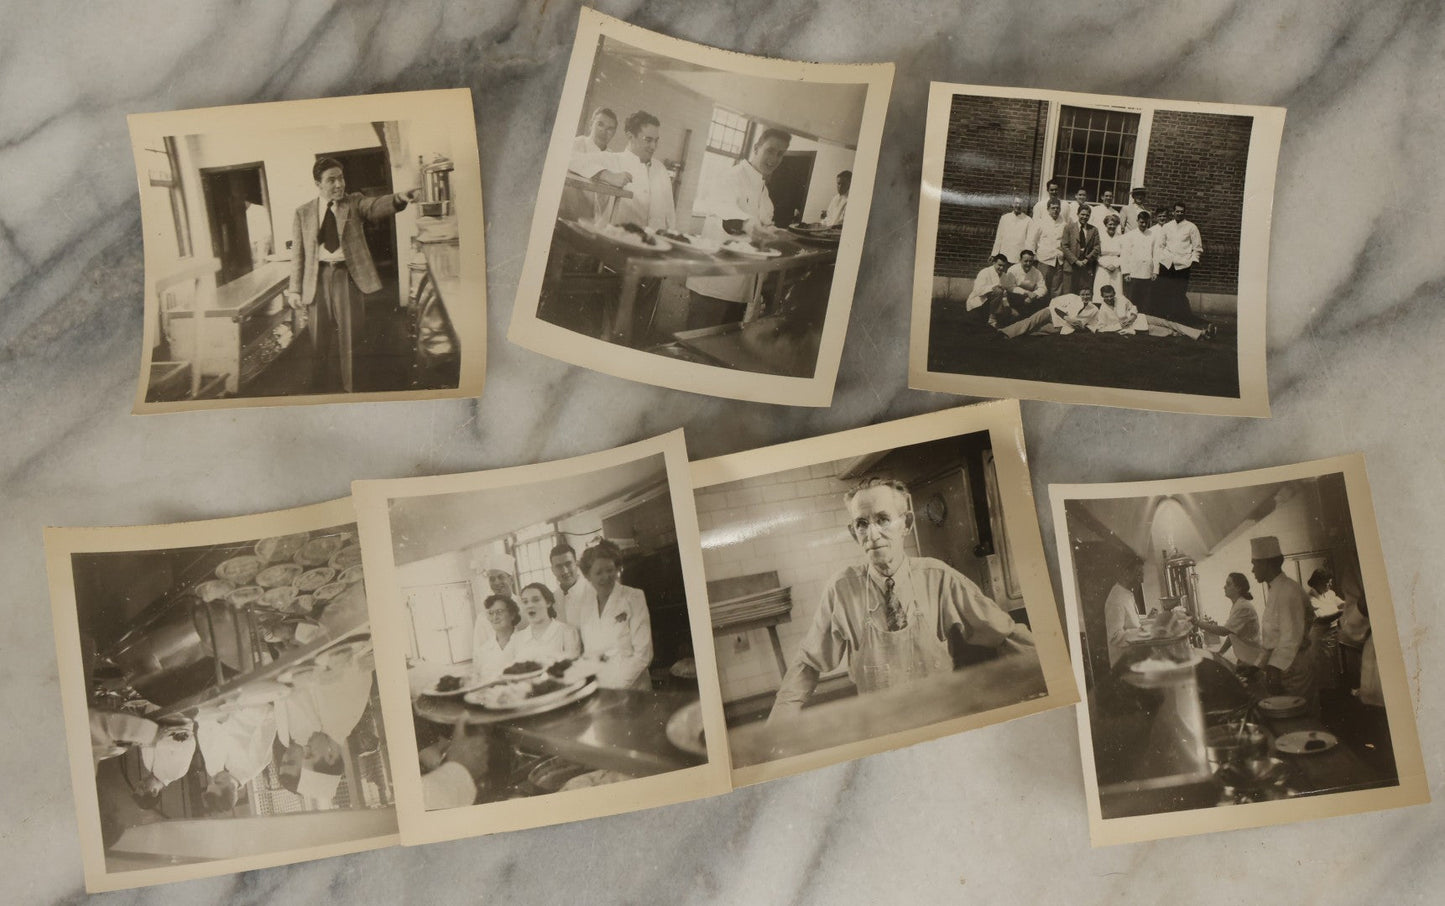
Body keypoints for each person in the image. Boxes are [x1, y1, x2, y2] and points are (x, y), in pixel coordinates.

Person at [769, 478, 1033, 721]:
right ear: (853, 532)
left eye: (883, 520)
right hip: (878, 723)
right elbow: (807, 663)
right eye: (862, 524)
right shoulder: (841, 590)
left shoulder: (939, 578)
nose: (872, 535)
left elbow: (1006, 634)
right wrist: (776, 729)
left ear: (906, 524)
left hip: (942, 715)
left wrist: (1048, 680)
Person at [285, 157, 420, 393]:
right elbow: (298, 254)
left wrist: (399, 198)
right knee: (318, 339)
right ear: (318, 184)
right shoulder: (302, 213)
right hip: (316, 280)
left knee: (350, 338)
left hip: (346, 277)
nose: (339, 184)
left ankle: (351, 390)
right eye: (331, 180)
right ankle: (319, 389)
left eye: (341, 178)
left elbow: (375, 206)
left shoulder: (354, 202)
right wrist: (294, 289)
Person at [686, 127, 791, 328]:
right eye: (770, 150)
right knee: (697, 340)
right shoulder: (731, 176)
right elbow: (725, 210)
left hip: (742, 286)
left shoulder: (764, 192)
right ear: (756, 147)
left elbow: (763, 226)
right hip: (714, 283)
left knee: (724, 341)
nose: (774, 159)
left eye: (780, 154)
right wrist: (748, 224)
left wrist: (774, 232)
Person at [569, 110, 676, 231]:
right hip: (614, 237)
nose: (653, 146)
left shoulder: (660, 168)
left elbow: (670, 215)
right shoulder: (611, 160)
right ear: (630, 136)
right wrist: (606, 175)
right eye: (648, 140)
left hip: (653, 240)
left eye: (656, 140)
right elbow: (568, 157)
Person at [575, 540, 654, 689]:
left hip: (632, 685)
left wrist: (618, 685)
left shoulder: (634, 596)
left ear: (617, 569)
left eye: (610, 570)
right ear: (588, 576)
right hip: (600, 685)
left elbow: (643, 654)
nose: (606, 577)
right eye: (599, 572)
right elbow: (590, 653)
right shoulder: (586, 606)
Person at [1251, 535, 1318, 709]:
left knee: (1298, 715)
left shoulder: (1288, 590)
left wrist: (1274, 669)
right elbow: (1273, 637)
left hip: (1293, 666)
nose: (1252, 570)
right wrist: (1258, 665)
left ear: (1266, 564)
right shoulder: (1276, 589)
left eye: (1254, 564)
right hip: (1284, 666)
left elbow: (1290, 636)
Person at [196, 702, 278, 814]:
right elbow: (270, 717)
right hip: (242, 701)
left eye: (211, 782)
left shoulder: (213, 771)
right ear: (232, 788)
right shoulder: (255, 763)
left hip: (211, 705)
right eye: (218, 782)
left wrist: (210, 713)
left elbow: (204, 734)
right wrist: (235, 709)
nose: (214, 777)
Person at [1194, 572, 1263, 681]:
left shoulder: (1243, 607)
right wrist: (1221, 652)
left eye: (1228, 584)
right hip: (1246, 659)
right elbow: (1232, 633)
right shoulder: (1237, 605)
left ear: (1238, 588)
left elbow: (1224, 631)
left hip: (1252, 660)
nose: (1224, 587)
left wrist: (1196, 622)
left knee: (1252, 688)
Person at [1155, 202, 1203, 324]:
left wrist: (1192, 260)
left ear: (1184, 213)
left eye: (1182, 211)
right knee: (1164, 290)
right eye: (1177, 211)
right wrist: (1162, 258)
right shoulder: (1167, 226)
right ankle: (1165, 317)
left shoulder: (1191, 227)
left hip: (1183, 265)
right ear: (1173, 212)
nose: (1179, 213)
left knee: (1179, 292)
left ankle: (1181, 318)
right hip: (1167, 264)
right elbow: (1160, 245)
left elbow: (1197, 247)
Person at [510, 583, 582, 665]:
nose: (530, 605)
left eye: (536, 600)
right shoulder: (517, 638)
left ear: (548, 602)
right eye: (525, 602)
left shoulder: (567, 632)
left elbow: (572, 667)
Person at [1104, 556, 1144, 670]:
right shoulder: (1116, 599)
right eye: (1138, 574)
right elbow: (1115, 637)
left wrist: (1147, 620)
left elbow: (1130, 621)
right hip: (1123, 664)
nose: (1142, 580)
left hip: (1132, 659)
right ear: (1126, 573)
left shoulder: (1126, 593)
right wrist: (1142, 632)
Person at [471, 593, 522, 682]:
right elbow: (476, 680)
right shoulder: (483, 650)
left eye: (499, 612)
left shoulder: (526, 641)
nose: (495, 617)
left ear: (512, 615)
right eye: (491, 613)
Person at [1027, 197, 1068, 298]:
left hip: (1059, 260)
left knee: (1056, 288)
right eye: (1053, 208)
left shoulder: (1064, 224)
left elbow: (1066, 241)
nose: (1055, 210)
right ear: (1048, 209)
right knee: (1042, 287)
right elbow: (1031, 240)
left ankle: (1054, 306)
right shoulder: (1040, 223)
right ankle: (1040, 306)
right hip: (1044, 259)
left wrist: (1063, 252)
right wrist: (1032, 256)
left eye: (1057, 208)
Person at [548, 541, 597, 629]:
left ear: (576, 564)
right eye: (559, 566)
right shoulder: (552, 599)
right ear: (552, 570)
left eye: (568, 564)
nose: (565, 571)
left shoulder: (595, 591)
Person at [1120, 210, 1159, 314]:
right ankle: (1130, 319)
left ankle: (1143, 319)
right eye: (1141, 222)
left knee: (1145, 300)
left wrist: (1155, 271)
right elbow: (1125, 254)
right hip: (1133, 272)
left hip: (1147, 272)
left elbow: (1156, 254)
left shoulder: (1153, 235)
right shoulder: (1130, 235)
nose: (1144, 224)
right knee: (1132, 299)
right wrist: (1126, 272)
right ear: (1137, 221)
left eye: (1146, 222)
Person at [965, 253, 1018, 327]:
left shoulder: (1004, 276)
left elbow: (1009, 288)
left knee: (1015, 314)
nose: (1001, 268)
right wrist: (993, 286)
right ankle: (992, 319)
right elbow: (978, 291)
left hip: (996, 303)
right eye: (999, 265)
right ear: (994, 263)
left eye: (1003, 266)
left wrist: (1026, 292)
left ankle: (997, 318)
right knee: (998, 290)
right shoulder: (984, 272)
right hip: (981, 302)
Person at [1062, 204, 1100, 295]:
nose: (1084, 217)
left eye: (1087, 215)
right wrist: (1075, 261)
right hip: (1071, 267)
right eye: (1082, 214)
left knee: (1083, 293)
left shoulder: (1093, 230)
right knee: (1068, 294)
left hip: (1085, 268)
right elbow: (1064, 246)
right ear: (1077, 214)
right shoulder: (1069, 227)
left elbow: (1097, 247)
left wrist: (1087, 260)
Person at [990, 195, 1033, 265]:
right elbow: (999, 237)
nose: (1018, 205)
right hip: (1004, 255)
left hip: (1018, 256)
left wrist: (1026, 257)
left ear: (1024, 205)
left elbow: (1029, 241)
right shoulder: (1004, 218)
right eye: (1016, 203)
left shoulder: (1028, 220)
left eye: (1020, 203)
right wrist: (994, 254)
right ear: (1012, 204)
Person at [1093, 211, 1125, 300]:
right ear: (1106, 225)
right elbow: (1096, 253)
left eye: (1114, 224)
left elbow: (1124, 254)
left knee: (1116, 290)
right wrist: (1106, 265)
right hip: (1102, 267)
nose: (1112, 226)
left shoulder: (1121, 237)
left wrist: (1115, 265)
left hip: (1116, 267)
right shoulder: (1100, 236)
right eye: (1110, 224)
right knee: (1101, 287)